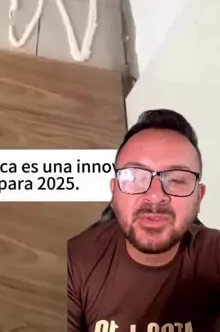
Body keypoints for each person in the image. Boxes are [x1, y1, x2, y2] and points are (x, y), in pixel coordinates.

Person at [68, 109, 220, 332]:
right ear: (114, 192)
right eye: (135, 177)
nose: (155, 195)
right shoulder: (75, 261)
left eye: (177, 179)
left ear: (199, 196)